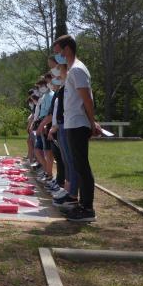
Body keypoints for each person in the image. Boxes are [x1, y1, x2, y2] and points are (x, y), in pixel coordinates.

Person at [53, 34, 101, 222]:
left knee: (82, 166)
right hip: (73, 123)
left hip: (78, 123)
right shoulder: (73, 70)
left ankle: (87, 209)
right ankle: (81, 204)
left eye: (59, 52)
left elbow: (86, 98)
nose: (58, 57)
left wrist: (92, 122)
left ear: (67, 49)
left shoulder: (78, 70)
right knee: (78, 166)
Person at [50, 62, 80, 210]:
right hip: (63, 124)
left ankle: (72, 193)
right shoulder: (61, 89)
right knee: (66, 159)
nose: (57, 75)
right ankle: (68, 189)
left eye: (59, 70)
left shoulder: (69, 84)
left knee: (70, 160)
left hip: (67, 124)